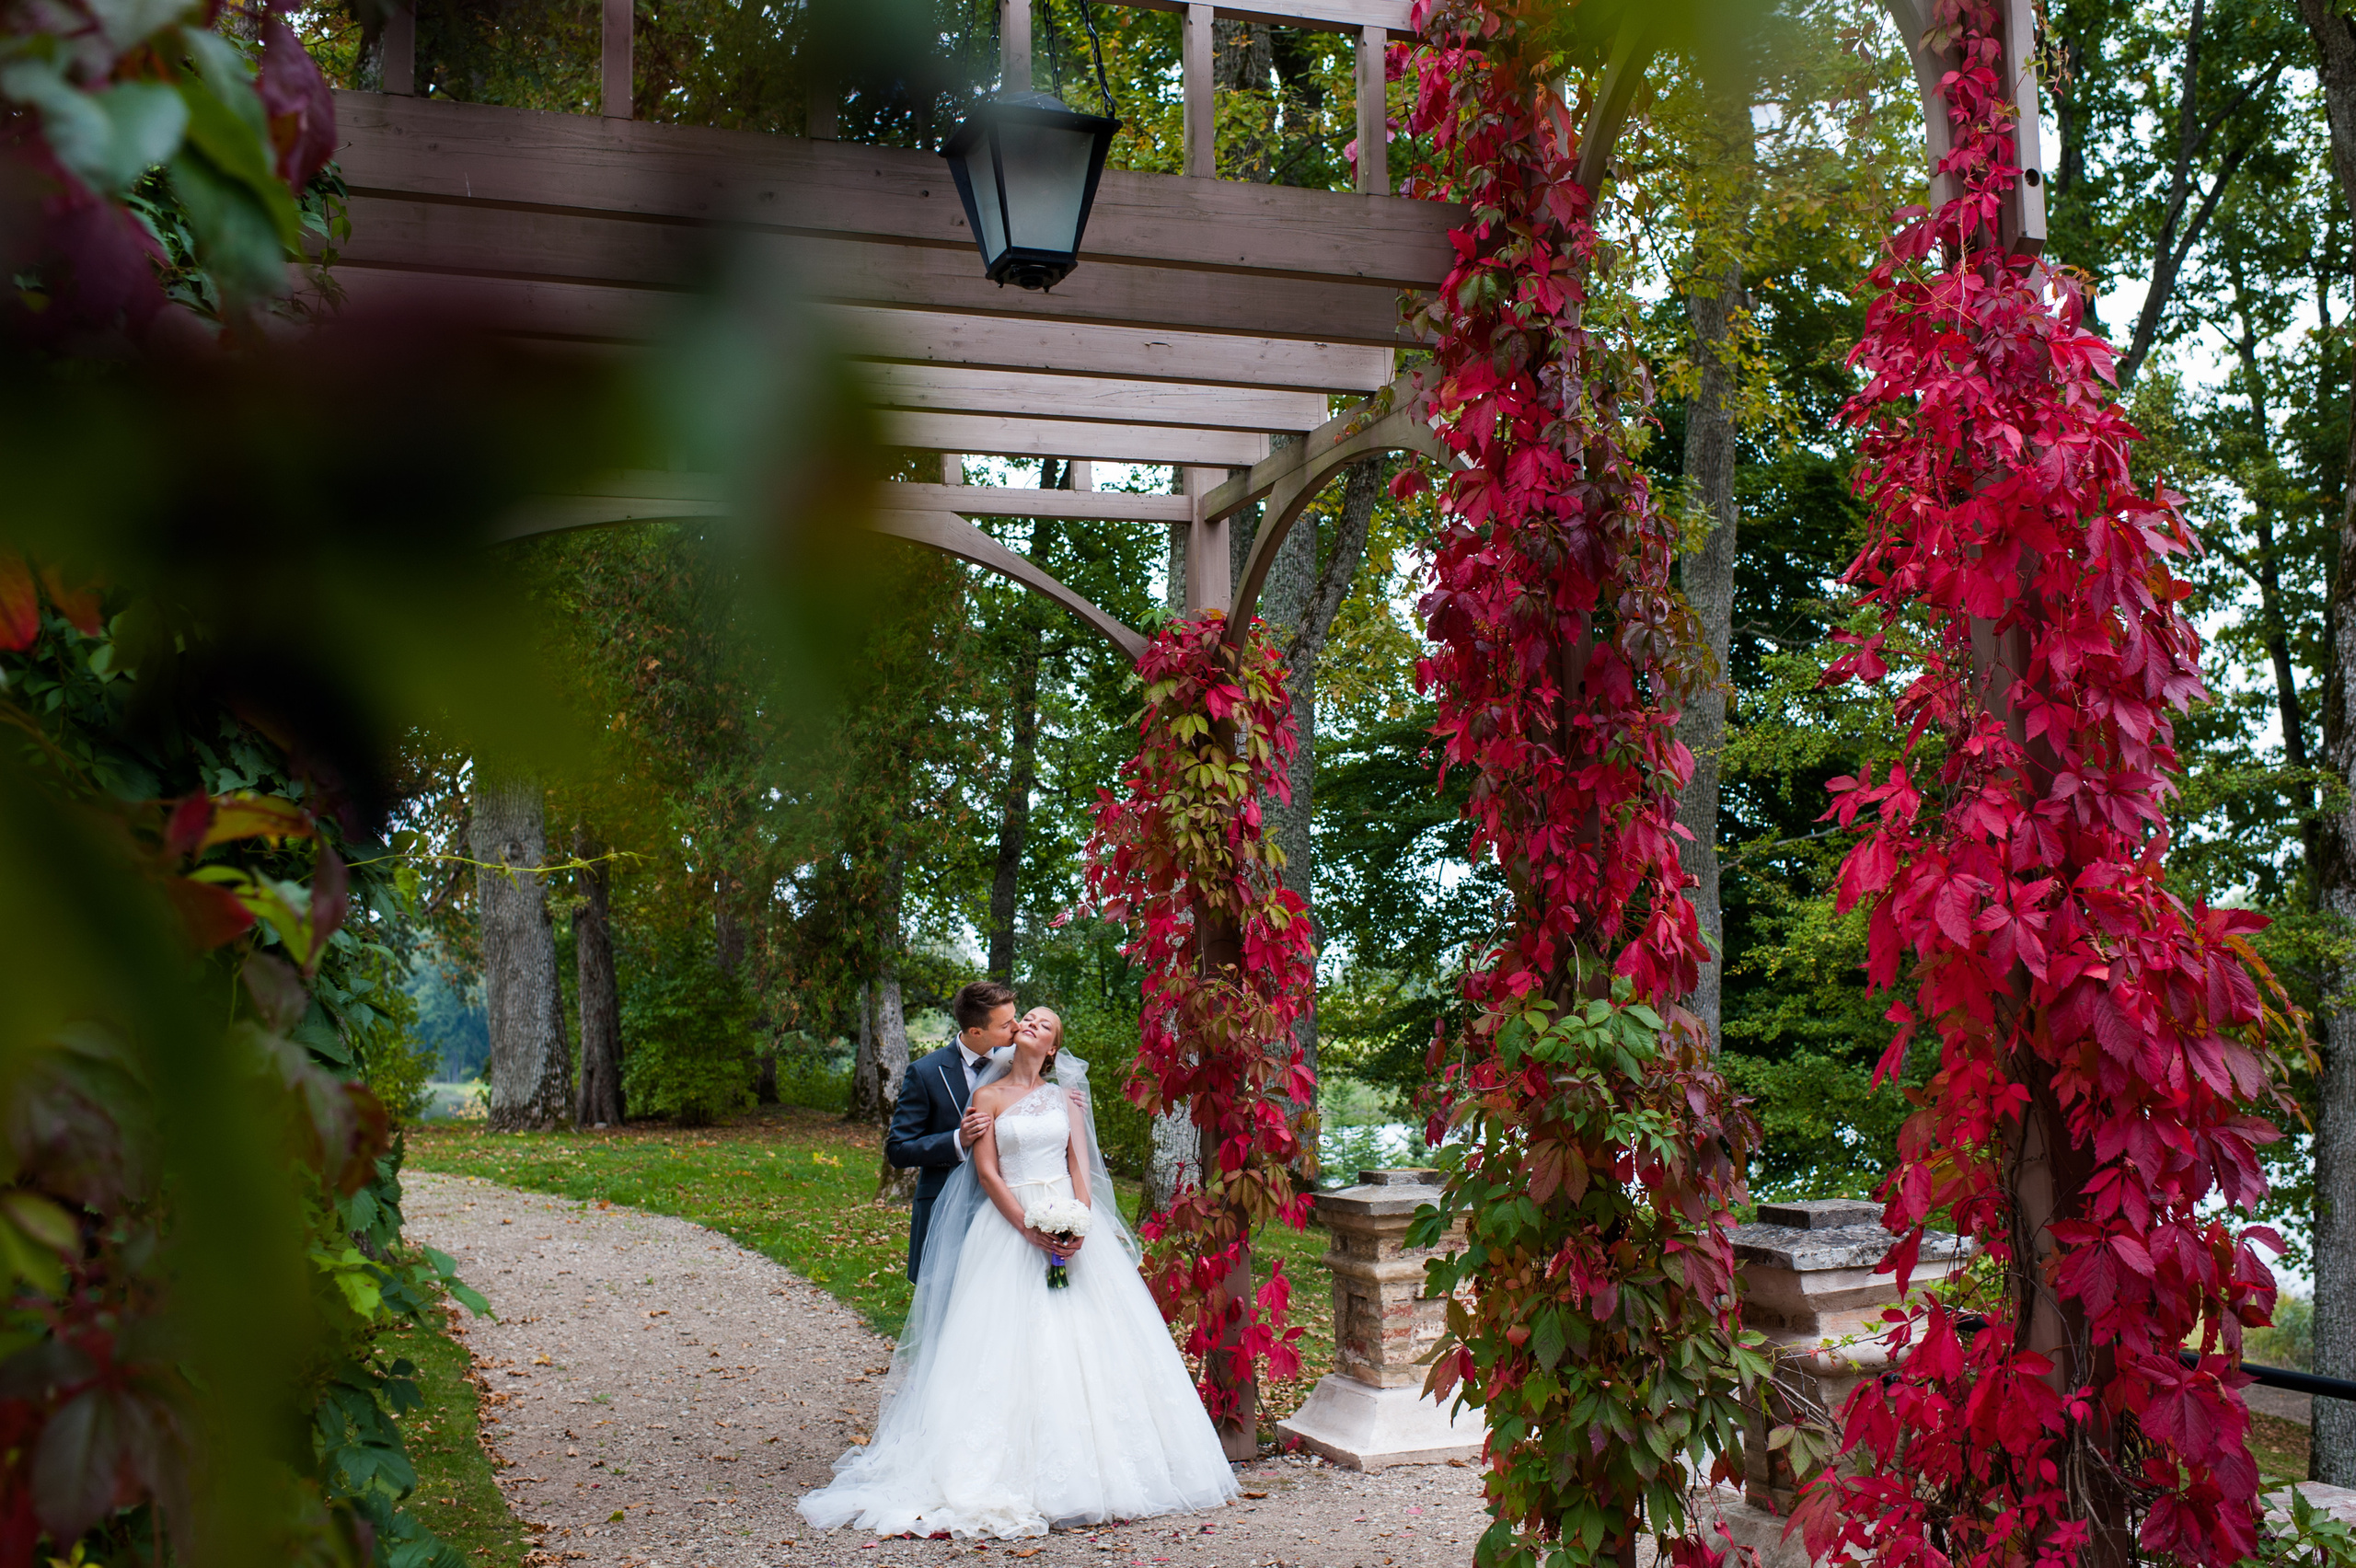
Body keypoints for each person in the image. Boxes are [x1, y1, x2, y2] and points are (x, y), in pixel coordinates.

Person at [800, 1009, 1238, 1541]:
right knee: (1004, 1345)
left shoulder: (1065, 1099)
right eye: (1025, 1018)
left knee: (1086, 1342)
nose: (1030, 1023)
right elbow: (986, 1172)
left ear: (1053, 1047)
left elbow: (1080, 1167)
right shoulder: (985, 1099)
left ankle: (1106, 1471)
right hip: (1007, 1228)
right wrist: (1030, 1229)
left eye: (1044, 1023)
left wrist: (1081, 1224)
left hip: (1071, 1226)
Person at [885, 980, 1016, 1282]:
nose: (1017, 1027)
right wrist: (958, 1139)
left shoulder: (1015, 1063)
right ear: (976, 1032)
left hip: (1005, 1208)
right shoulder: (926, 1072)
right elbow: (898, 1149)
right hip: (944, 1208)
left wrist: (1065, 1101)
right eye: (1007, 1024)